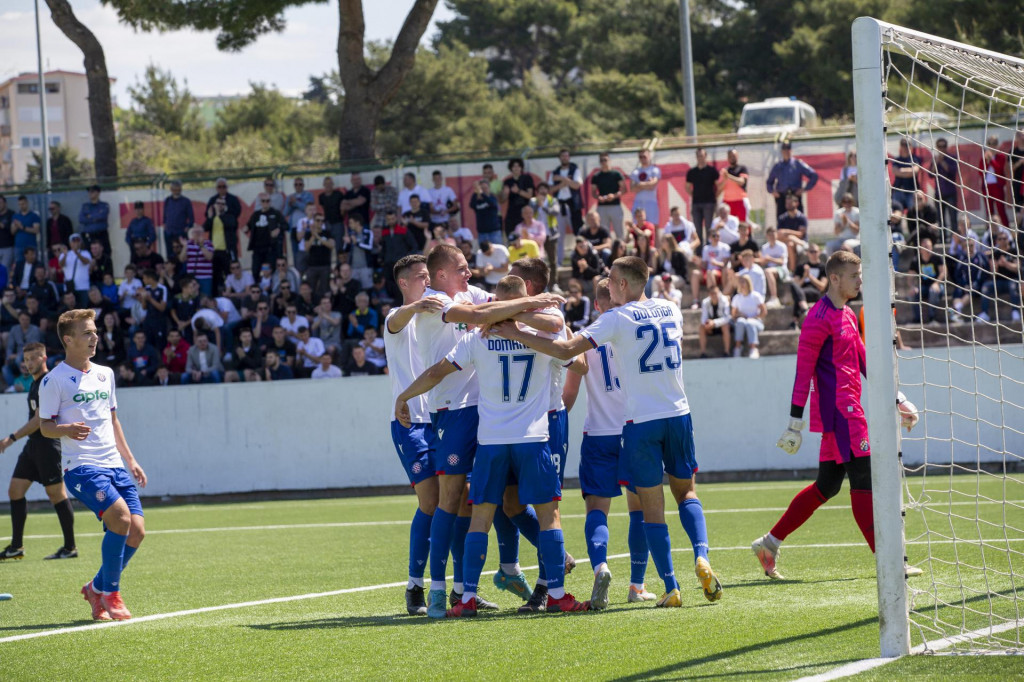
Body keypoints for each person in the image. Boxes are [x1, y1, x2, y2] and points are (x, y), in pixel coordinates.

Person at [494, 256, 723, 608]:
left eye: (614, 279)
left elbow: (571, 354)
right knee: (685, 494)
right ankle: (694, 558)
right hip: (678, 414)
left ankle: (668, 585)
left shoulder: (612, 320)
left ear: (622, 286)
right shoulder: (671, 308)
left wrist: (511, 323)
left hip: (633, 425)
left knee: (641, 510)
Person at [397, 275, 588, 617]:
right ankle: (557, 594)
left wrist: (405, 395)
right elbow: (576, 360)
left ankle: (467, 598)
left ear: (497, 302)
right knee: (549, 517)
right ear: (525, 299)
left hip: (491, 441)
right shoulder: (544, 335)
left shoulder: (477, 337)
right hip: (533, 439)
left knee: (480, 518)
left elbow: (438, 371)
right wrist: (527, 323)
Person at [754, 251, 920, 580]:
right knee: (864, 480)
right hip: (841, 414)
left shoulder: (846, 313)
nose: (860, 280)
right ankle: (890, 561)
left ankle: (768, 543)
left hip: (847, 411)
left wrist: (897, 398)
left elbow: (863, 360)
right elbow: (803, 373)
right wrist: (794, 423)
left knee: (826, 486)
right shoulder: (817, 319)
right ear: (834, 278)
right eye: (854, 275)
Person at [39, 309, 149, 621]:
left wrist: (131, 460)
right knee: (120, 518)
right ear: (68, 340)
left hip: (114, 464)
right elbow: (45, 426)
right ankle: (111, 593)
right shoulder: (54, 380)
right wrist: (66, 429)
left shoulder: (105, 374)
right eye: (87, 333)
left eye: (95, 331)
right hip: (81, 467)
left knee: (137, 531)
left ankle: (95, 587)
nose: (94, 337)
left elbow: (113, 420)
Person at [561, 279, 657, 607]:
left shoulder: (587, 338)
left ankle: (600, 566)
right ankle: (637, 584)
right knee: (640, 509)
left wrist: (553, 423)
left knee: (597, 510)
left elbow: (570, 394)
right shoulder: (635, 332)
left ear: (598, 305)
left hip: (598, 434)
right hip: (633, 431)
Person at [382, 254, 444, 614]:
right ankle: (415, 587)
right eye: (421, 277)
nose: (428, 282)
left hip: (443, 418)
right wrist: (418, 305)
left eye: (429, 276)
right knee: (430, 503)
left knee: (454, 502)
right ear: (404, 283)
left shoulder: (438, 316)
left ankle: (463, 589)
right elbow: (397, 318)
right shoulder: (398, 317)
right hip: (411, 424)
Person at [0, 342, 77, 561]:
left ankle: (70, 547)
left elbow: (38, 420)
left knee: (56, 494)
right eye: (26, 360)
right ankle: (17, 547)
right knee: (15, 490)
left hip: (47, 446)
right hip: (33, 446)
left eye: (33, 358)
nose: (28, 363)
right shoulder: (34, 385)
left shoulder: (47, 382)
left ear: (44, 358)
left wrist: (11, 438)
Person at [766, 142, 818, 219]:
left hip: (795, 196)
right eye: (784, 150)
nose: (786, 152)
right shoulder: (778, 166)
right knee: (781, 220)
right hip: (782, 196)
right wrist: (772, 191)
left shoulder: (798, 164)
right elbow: (769, 182)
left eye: (788, 149)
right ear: (782, 152)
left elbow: (813, 175)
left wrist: (805, 189)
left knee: (798, 219)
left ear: (791, 151)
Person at [246, 194, 287, 278]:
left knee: (270, 271)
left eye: (267, 201)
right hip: (257, 249)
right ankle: (257, 289)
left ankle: (270, 289)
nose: (265, 203)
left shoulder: (275, 213)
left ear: (270, 202)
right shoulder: (255, 215)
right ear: (260, 202)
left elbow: (286, 225)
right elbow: (248, 226)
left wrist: (278, 229)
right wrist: (245, 228)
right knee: (255, 271)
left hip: (270, 249)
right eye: (263, 201)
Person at [686, 148, 719, 244]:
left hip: (709, 203)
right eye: (698, 156)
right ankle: (699, 252)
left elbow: (718, 185)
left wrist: (715, 195)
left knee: (709, 228)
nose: (700, 158)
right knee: (697, 229)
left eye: (702, 155)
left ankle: (709, 249)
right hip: (696, 203)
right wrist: (693, 195)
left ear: (705, 156)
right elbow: (687, 187)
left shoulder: (712, 171)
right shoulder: (692, 172)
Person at [549, 148, 584, 240]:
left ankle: (581, 252)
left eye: (566, 156)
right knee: (559, 234)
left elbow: (576, 185)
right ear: (559, 158)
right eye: (562, 156)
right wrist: (564, 183)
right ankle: (560, 255)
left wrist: (562, 178)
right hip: (559, 204)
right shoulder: (554, 172)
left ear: (569, 157)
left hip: (573, 204)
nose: (564, 158)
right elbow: (551, 189)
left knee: (578, 231)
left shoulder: (575, 170)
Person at [730, 274, 767, 359]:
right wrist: (740, 315)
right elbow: (733, 314)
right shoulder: (737, 298)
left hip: (756, 322)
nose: (742, 284)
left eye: (744, 282)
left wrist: (754, 317)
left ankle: (753, 348)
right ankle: (738, 348)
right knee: (740, 321)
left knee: (750, 323)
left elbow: (764, 311)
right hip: (742, 322)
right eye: (740, 282)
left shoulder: (756, 296)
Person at [591, 153, 627, 238]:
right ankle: (607, 250)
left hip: (615, 206)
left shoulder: (616, 174)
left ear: (609, 161)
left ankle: (621, 249)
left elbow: (624, 189)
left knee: (619, 231)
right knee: (604, 232)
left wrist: (614, 196)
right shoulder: (596, 176)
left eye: (605, 160)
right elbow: (593, 192)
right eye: (601, 160)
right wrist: (598, 197)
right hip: (602, 207)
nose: (603, 162)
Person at [502, 159, 535, 238]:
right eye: (514, 166)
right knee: (511, 236)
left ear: (521, 168)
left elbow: (530, 195)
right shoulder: (507, 182)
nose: (516, 168)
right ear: (511, 168)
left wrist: (518, 191)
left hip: (525, 212)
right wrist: (505, 194)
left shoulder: (527, 178)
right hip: (512, 213)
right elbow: (503, 200)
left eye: (518, 166)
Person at [162, 180, 194, 256]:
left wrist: (188, 227)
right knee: (170, 255)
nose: (176, 192)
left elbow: (192, 218)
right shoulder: (167, 200)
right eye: (174, 190)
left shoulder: (186, 201)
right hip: (169, 232)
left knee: (182, 254)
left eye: (178, 190)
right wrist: (164, 224)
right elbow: (165, 215)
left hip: (181, 232)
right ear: (171, 190)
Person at [718, 148, 751, 221]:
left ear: (737, 156)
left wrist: (729, 176)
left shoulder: (742, 168)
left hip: (740, 201)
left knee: (743, 223)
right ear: (728, 158)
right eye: (730, 156)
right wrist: (725, 179)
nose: (732, 158)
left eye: (734, 156)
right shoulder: (724, 171)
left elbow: (742, 181)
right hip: (727, 202)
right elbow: (719, 188)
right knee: (728, 223)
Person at [630, 149, 662, 225]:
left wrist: (639, 185)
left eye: (644, 156)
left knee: (652, 226)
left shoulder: (654, 170)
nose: (643, 159)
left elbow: (653, 185)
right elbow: (632, 188)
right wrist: (647, 184)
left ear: (649, 156)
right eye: (640, 157)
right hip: (638, 202)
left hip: (651, 202)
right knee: (637, 225)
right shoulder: (635, 172)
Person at [698, 286, 731, 358]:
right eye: (712, 293)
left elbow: (727, 318)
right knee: (701, 327)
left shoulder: (725, 300)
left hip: (722, 326)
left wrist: (714, 323)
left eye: (715, 293)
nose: (714, 295)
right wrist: (707, 325)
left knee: (725, 326)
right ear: (709, 294)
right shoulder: (705, 302)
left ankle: (726, 352)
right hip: (711, 327)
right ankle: (703, 353)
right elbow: (703, 318)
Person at [60, 235, 93, 307]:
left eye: (77, 241)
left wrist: (77, 253)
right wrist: (65, 255)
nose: (76, 243)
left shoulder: (85, 253)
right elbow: (61, 264)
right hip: (70, 288)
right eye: (73, 241)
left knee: (83, 308)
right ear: (70, 243)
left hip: (83, 287)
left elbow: (86, 261)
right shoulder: (65, 254)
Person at [78, 185, 111, 255]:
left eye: (92, 191)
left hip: (101, 234)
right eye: (89, 192)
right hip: (89, 235)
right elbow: (81, 219)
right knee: (89, 255)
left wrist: (89, 216)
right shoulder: (85, 206)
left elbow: (102, 216)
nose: (90, 193)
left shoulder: (104, 205)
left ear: (98, 193)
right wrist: (95, 217)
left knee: (105, 254)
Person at [471, 180, 503, 246]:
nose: (484, 190)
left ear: (489, 188)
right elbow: (471, 205)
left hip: (494, 232)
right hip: (482, 233)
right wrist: (476, 192)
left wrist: (481, 193)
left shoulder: (492, 198)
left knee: (497, 252)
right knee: (484, 253)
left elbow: (491, 203)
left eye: (485, 188)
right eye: (482, 188)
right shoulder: (477, 199)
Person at [11, 195, 41, 264]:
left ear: (27, 203)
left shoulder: (34, 216)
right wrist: (16, 226)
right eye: (20, 204)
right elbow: (12, 232)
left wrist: (22, 227)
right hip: (19, 246)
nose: (21, 206)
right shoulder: (15, 216)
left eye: (23, 204)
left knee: (32, 265)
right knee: (19, 266)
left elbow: (36, 230)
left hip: (31, 245)